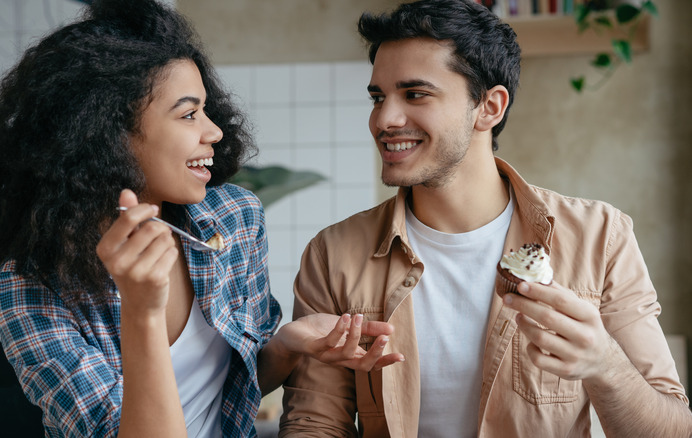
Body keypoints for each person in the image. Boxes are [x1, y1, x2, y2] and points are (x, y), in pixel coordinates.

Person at [0, 0, 397, 436]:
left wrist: (287, 344)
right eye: (188, 114)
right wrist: (142, 312)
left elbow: (230, 391)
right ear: (107, 136)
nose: (214, 131)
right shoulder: (31, 286)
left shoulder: (234, 219)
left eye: (205, 109)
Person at [279, 0, 692, 437]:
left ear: (489, 107)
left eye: (414, 94)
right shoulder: (333, 253)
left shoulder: (601, 236)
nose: (384, 119)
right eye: (378, 97)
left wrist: (606, 365)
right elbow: (315, 423)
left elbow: (673, 429)